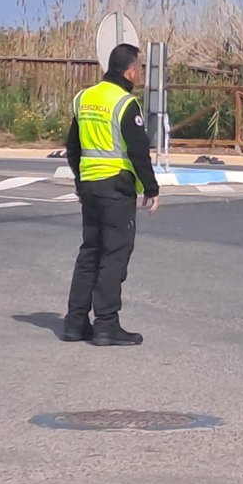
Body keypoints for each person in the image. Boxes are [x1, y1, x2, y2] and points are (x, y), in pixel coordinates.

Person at [63, 43, 160, 346]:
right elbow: (138, 150)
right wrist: (151, 188)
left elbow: (73, 147)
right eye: (139, 68)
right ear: (130, 70)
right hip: (116, 188)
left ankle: (75, 324)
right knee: (114, 255)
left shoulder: (84, 98)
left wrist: (81, 181)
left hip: (90, 186)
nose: (140, 73)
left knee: (90, 253)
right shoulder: (124, 103)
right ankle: (106, 324)